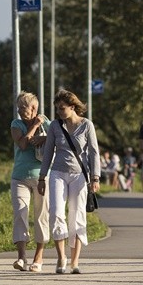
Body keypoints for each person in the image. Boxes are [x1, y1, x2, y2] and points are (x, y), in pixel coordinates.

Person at [38, 89, 101, 274]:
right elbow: (48, 152)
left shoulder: (87, 125)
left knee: (77, 215)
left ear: (72, 107)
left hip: (79, 175)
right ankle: (61, 258)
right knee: (56, 213)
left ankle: (75, 262)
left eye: (62, 108)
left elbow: (94, 152)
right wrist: (42, 177)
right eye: (57, 109)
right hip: (57, 173)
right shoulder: (55, 126)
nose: (59, 112)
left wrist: (95, 178)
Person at [10, 92, 50, 272]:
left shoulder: (47, 122)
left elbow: (59, 140)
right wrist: (34, 127)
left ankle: (38, 258)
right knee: (20, 213)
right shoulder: (16, 124)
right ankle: (21, 257)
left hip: (42, 176)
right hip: (19, 176)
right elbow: (23, 145)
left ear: (34, 108)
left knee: (41, 214)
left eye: (22, 108)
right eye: (18, 107)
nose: (19, 111)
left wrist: (44, 137)